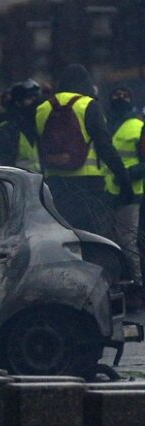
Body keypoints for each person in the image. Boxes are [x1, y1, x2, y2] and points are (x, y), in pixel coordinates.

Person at [35, 64, 132, 238]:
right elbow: (105, 147)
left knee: (63, 236)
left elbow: (40, 149)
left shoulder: (42, 108)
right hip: (89, 184)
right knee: (94, 238)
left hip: (55, 183)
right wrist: (124, 181)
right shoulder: (88, 105)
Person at [103, 85, 145, 291]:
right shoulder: (106, 124)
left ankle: (137, 286)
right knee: (109, 242)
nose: (120, 98)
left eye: (124, 95)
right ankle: (116, 286)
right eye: (116, 95)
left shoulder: (138, 126)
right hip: (107, 192)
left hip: (130, 193)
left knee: (128, 242)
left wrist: (128, 176)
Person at [0, 79, 42, 171]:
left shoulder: (36, 125)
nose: (34, 102)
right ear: (18, 102)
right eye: (29, 98)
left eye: (35, 97)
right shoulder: (7, 129)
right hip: (18, 182)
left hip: (38, 181)